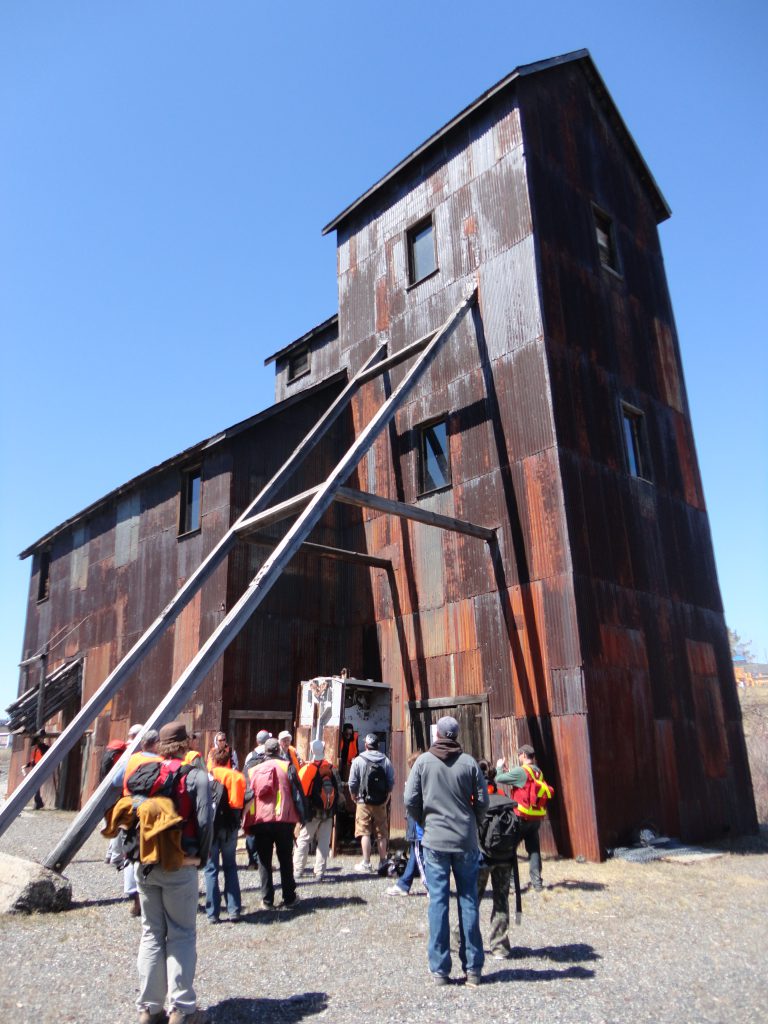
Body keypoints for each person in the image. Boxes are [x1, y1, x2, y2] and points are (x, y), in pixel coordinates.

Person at [134, 720, 211, 1024]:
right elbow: (205, 822)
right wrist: (200, 858)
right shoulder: (195, 777)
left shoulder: (144, 774)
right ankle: (182, 1009)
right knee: (181, 933)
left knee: (151, 934)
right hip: (180, 863)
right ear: (185, 744)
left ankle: (149, 1009)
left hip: (145, 863)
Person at [404, 716, 489, 986]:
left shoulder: (423, 762)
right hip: (465, 841)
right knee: (468, 900)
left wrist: (424, 821)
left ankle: (440, 970)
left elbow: (410, 800)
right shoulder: (469, 763)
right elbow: (483, 801)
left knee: (438, 901)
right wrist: (472, 821)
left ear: (437, 734)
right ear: (456, 735)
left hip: (435, 842)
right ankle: (473, 969)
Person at [243, 736, 304, 909]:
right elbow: (297, 794)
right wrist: (303, 816)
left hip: (261, 821)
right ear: (278, 750)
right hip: (284, 820)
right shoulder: (287, 767)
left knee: (264, 861)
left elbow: (247, 795)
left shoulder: (253, 770)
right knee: (285, 859)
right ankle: (289, 898)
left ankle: (267, 900)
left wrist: (245, 820)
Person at [112, 728, 160, 916]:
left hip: (130, 808)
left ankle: (134, 896)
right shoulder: (160, 762)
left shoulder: (130, 760)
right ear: (156, 744)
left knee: (130, 853)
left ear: (142, 744)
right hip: (152, 809)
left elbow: (115, 781)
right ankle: (150, 892)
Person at [476, 759, 521, 960]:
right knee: (501, 900)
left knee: (470, 900)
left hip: (481, 856)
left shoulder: (475, 795)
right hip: (505, 855)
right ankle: (500, 946)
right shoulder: (502, 795)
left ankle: (459, 940)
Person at [495, 744, 554, 893]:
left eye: (519, 754)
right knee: (534, 850)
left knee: (510, 850)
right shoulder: (538, 772)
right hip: (535, 818)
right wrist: (511, 772)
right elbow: (526, 784)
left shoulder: (521, 771)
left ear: (522, 755)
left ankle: (513, 883)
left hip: (520, 817)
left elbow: (499, 778)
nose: (518, 757)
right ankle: (537, 883)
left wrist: (499, 767)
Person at [205, 747, 247, 923]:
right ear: (229, 760)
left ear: (214, 760)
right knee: (230, 866)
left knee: (211, 868)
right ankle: (234, 909)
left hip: (212, 826)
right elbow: (243, 801)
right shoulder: (237, 777)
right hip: (230, 825)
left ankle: (213, 913)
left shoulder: (207, 776)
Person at [293, 739, 343, 881]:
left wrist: (299, 813)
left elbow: (301, 793)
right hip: (328, 813)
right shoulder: (331, 768)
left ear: (311, 751)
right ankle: (320, 872)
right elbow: (339, 790)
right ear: (324, 750)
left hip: (312, 813)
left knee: (303, 840)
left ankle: (298, 870)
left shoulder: (307, 769)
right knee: (324, 842)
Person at [349, 733, 395, 873]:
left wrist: (353, 796)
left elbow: (352, 782)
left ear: (366, 746)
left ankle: (366, 863)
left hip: (363, 801)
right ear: (378, 745)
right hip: (380, 801)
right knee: (382, 832)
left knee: (365, 832)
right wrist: (387, 796)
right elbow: (391, 781)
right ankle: (382, 862)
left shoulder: (358, 760)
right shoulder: (385, 760)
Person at [386, 751, 428, 897]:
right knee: (415, 854)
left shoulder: (417, 781)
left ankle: (429, 885)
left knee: (419, 852)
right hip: (420, 820)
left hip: (417, 822)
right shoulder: (427, 779)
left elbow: (410, 800)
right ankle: (404, 884)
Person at [242, 729, 271, 869]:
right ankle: (263, 861)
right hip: (266, 798)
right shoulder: (270, 755)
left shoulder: (250, 756)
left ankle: (252, 861)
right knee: (265, 829)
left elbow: (245, 776)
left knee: (251, 828)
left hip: (251, 796)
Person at [22, 730, 50, 809]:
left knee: (35, 786)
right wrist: (26, 765)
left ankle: (38, 803)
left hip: (40, 769)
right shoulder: (36, 749)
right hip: (36, 769)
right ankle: (39, 803)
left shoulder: (45, 748)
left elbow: (40, 760)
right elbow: (34, 761)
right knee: (35, 787)